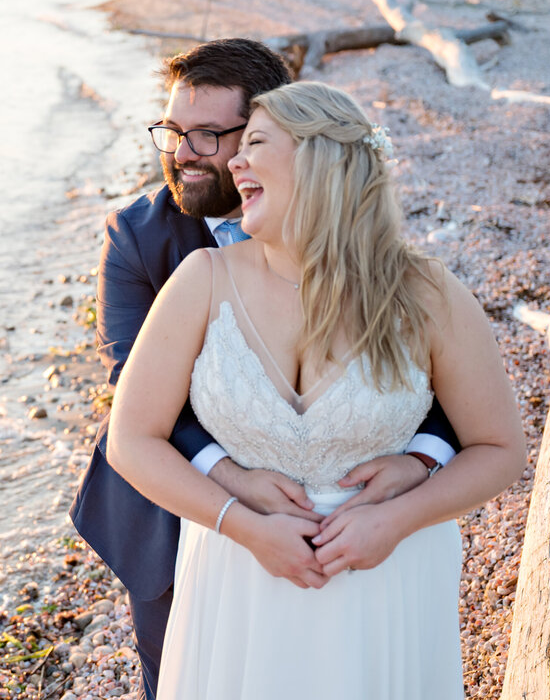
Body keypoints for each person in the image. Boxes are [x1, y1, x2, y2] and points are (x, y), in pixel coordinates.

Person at [68, 39, 461, 699]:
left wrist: (418, 461)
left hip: (349, 530)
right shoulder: (138, 235)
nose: (181, 153)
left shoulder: (354, 240)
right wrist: (234, 483)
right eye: (171, 131)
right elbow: (134, 392)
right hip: (172, 525)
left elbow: (422, 377)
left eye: (207, 135)